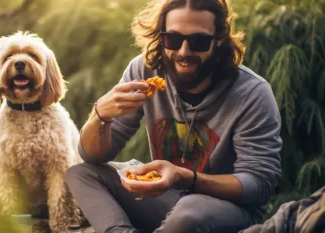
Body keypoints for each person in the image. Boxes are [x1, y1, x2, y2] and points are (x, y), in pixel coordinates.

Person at [66, 0, 282, 232]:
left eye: (198, 41)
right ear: (162, 36)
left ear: (219, 38)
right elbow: (92, 156)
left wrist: (184, 177)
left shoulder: (251, 93)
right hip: (166, 197)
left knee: (190, 211)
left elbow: (260, 184)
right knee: (82, 173)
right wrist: (100, 115)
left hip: (225, 209)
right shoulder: (144, 70)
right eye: (173, 39)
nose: (183, 52)